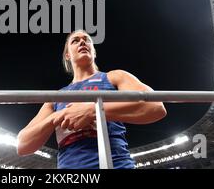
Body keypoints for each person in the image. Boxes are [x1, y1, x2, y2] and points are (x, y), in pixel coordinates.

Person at [17, 29, 167, 169]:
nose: (82, 42)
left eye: (87, 40)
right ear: (67, 55)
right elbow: (22, 145)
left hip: (116, 164)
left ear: (94, 52)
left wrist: (93, 110)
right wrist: (56, 117)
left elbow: (156, 107)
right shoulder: (56, 97)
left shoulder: (114, 77)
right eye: (75, 41)